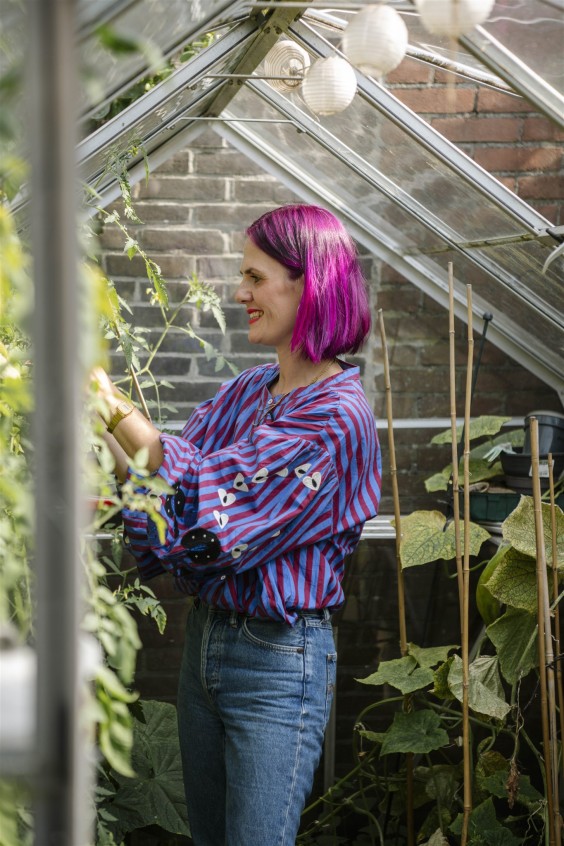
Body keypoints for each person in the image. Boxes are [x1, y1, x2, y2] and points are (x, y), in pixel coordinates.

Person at [93, 204, 382, 846]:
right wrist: (99, 422)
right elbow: (164, 478)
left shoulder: (337, 418)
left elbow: (211, 488)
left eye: (254, 277)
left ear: (309, 284)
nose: (239, 292)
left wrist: (104, 398)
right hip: (207, 647)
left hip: (277, 663)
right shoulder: (251, 390)